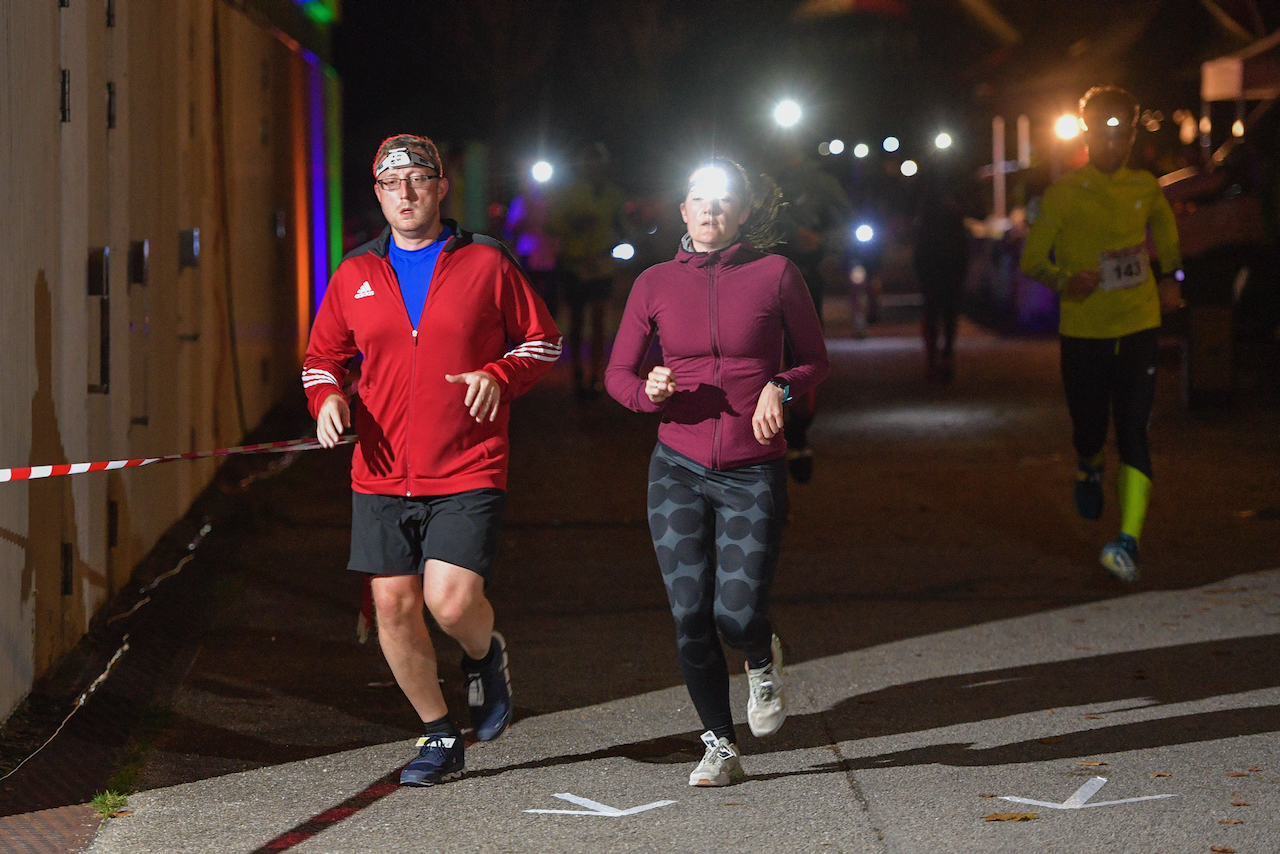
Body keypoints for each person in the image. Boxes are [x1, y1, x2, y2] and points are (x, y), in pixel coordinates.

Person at [302, 134, 561, 786]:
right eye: (393, 184)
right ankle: (439, 734)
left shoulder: (485, 262)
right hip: (381, 469)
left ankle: (483, 652)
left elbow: (543, 344)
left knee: (449, 602)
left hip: (467, 463)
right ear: (379, 195)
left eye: (419, 179)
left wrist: (499, 376)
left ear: (441, 188)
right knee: (392, 606)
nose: (407, 193)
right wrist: (328, 398)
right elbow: (319, 361)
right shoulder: (355, 273)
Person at [605, 158, 829, 786]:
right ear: (682, 211)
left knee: (735, 613)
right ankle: (719, 745)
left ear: (743, 212)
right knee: (689, 614)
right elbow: (616, 375)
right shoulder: (653, 283)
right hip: (675, 465)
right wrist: (649, 389)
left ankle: (760, 653)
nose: (709, 211)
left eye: (723, 201)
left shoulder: (777, 275)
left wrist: (779, 386)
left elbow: (815, 360)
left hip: (752, 469)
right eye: (698, 200)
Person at [1020, 87, 1182, 582]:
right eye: (1104, 134)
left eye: (1124, 134)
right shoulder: (1065, 193)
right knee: (1090, 428)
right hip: (1085, 331)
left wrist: (1172, 274)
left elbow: (1170, 240)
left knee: (1134, 432)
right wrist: (1068, 282)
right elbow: (1032, 261)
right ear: (1088, 134)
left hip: (1137, 326)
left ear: (1133, 135)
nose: (1115, 144)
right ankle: (1088, 465)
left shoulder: (1146, 187)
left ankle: (1128, 542)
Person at [548, 142, 626, 398]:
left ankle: (597, 374)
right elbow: (553, 223)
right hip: (576, 262)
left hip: (602, 261)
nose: (593, 167)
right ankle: (577, 373)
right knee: (578, 321)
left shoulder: (613, 193)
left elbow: (621, 224)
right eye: (589, 162)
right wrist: (575, 224)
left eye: (598, 162)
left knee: (601, 321)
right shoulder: (570, 192)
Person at [913, 180, 969, 383]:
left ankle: (935, 358)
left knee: (934, 313)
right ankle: (945, 356)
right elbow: (963, 248)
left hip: (936, 270)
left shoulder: (927, 216)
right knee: (947, 315)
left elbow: (919, 250)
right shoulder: (953, 214)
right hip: (947, 270)